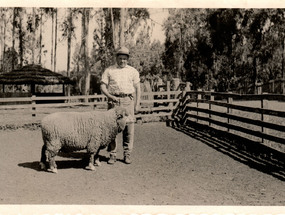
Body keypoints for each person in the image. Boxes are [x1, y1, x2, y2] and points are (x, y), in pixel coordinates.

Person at [100, 46, 141, 164]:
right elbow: (102, 86)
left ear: (127, 59)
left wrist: (137, 104)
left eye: (124, 58)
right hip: (114, 101)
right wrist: (110, 96)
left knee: (128, 129)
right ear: (116, 58)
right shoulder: (109, 70)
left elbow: (138, 88)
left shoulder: (133, 71)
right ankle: (112, 154)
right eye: (120, 58)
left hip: (128, 101)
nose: (122, 61)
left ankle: (127, 154)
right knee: (112, 129)